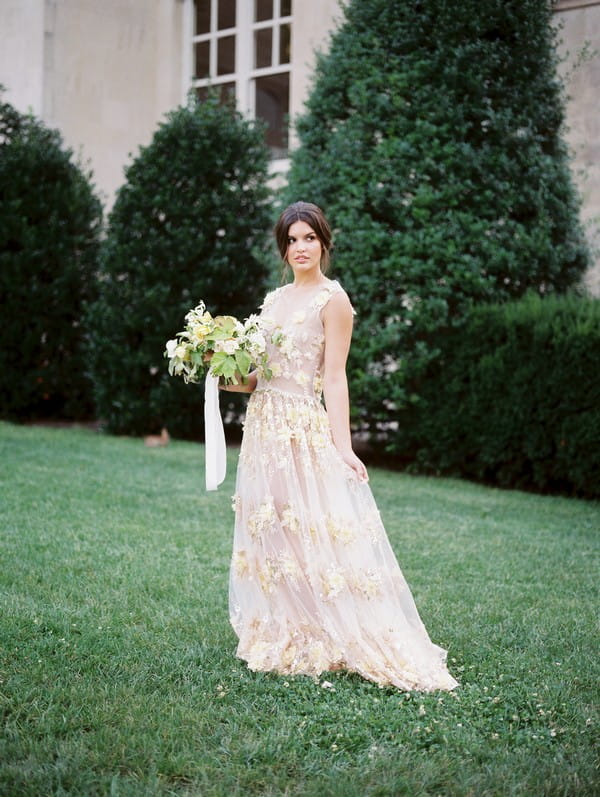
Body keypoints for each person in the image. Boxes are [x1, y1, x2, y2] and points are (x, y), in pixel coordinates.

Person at [220, 201, 458, 691]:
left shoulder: (334, 300)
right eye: (292, 240)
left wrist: (343, 447)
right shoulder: (271, 300)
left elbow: (334, 377)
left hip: (301, 428)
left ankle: (328, 630)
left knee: (309, 525)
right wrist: (218, 374)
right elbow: (258, 377)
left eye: (309, 237)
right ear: (282, 249)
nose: (300, 247)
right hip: (262, 429)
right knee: (272, 526)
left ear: (324, 242)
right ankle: (286, 626)